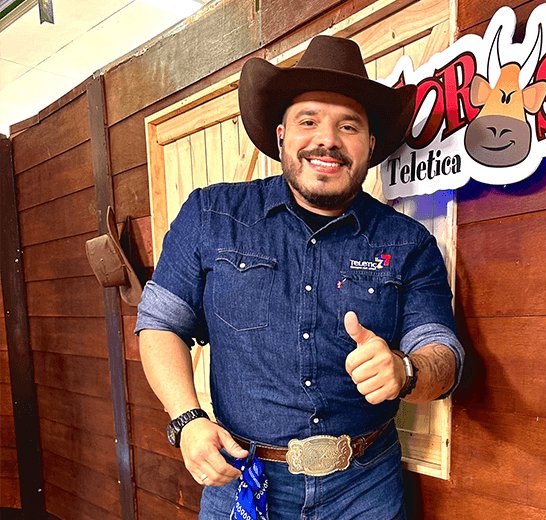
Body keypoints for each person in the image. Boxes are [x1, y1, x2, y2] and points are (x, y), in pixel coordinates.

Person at [135, 35, 464, 520]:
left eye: (348, 125)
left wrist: (406, 371)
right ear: (281, 135)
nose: (327, 139)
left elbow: (444, 354)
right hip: (243, 480)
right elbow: (160, 323)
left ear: (371, 146)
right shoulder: (211, 214)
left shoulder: (408, 242)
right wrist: (186, 420)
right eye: (308, 121)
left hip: (365, 490)